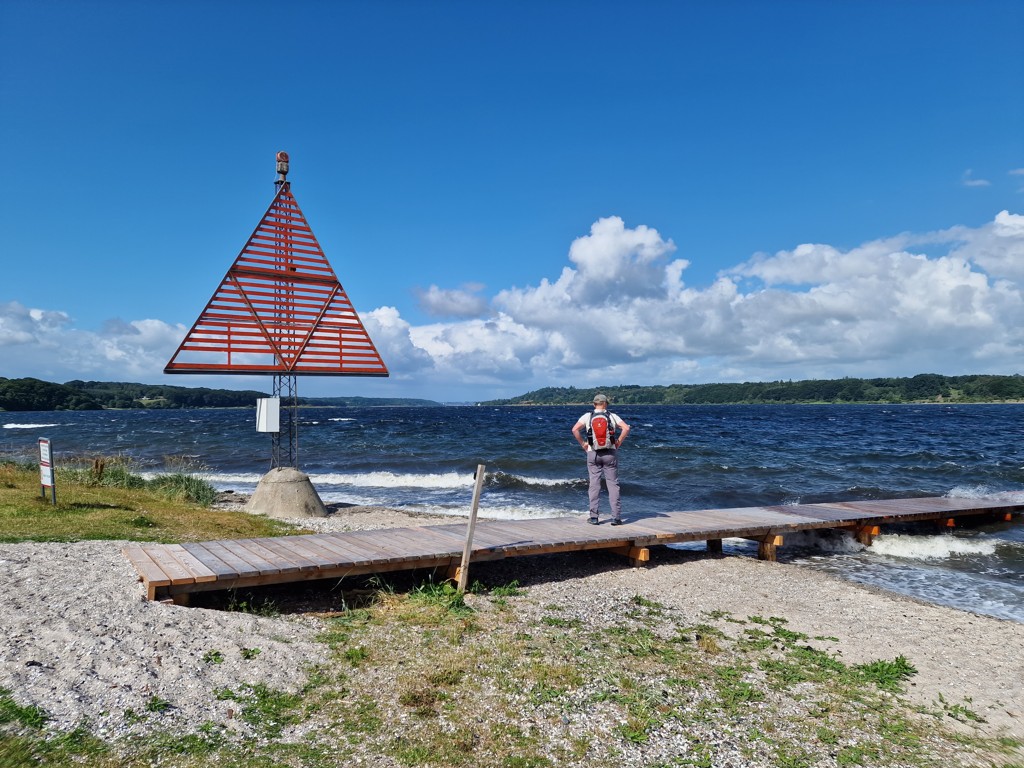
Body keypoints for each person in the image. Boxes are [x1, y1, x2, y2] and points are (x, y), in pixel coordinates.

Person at [571, 393, 631, 525]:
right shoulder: (612, 416)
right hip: (610, 452)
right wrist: (618, 442)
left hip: (593, 453)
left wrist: (583, 444)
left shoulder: (588, 416)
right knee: (613, 484)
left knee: (594, 485)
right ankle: (616, 518)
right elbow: (626, 428)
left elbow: (574, 429)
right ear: (606, 404)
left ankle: (594, 517)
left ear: (594, 404)